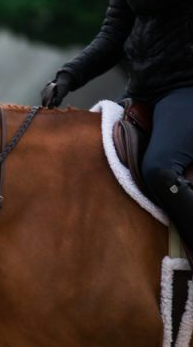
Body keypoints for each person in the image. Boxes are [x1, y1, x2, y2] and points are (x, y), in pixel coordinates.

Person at [41, 0, 193, 256]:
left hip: (185, 87)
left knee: (160, 170)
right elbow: (113, 36)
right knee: (85, 158)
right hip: (142, 91)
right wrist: (67, 77)